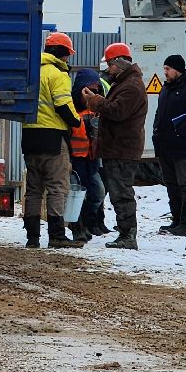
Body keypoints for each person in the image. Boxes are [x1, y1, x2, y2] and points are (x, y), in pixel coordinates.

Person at [19, 31, 84, 249]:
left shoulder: (32, 72)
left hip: (29, 137)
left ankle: (32, 238)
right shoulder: (57, 75)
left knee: (34, 190)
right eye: (67, 54)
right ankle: (57, 235)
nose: (68, 59)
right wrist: (76, 121)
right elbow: (63, 106)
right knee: (57, 187)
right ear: (62, 53)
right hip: (53, 139)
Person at [79, 42, 147, 250]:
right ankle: (125, 232)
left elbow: (117, 111)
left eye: (110, 64)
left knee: (121, 192)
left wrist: (95, 101)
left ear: (119, 63)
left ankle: (128, 235)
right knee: (119, 191)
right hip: (119, 147)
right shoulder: (126, 83)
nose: (108, 69)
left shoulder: (132, 86)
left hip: (122, 149)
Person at [153, 53, 186, 236]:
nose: (165, 72)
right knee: (171, 185)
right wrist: (156, 134)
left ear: (177, 69)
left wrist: (180, 131)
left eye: (168, 69)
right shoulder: (166, 89)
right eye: (164, 69)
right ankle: (176, 220)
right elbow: (159, 114)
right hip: (165, 146)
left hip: (184, 147)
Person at [69, 67, 107, 242]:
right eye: (89, 88)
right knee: (77, 196)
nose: (93, 92)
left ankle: (89, 222)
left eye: (96, 89)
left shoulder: (96, 109)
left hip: (90, 161)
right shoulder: (71, 108)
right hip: (75, 161)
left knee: (97, 193)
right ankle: (78, 227)